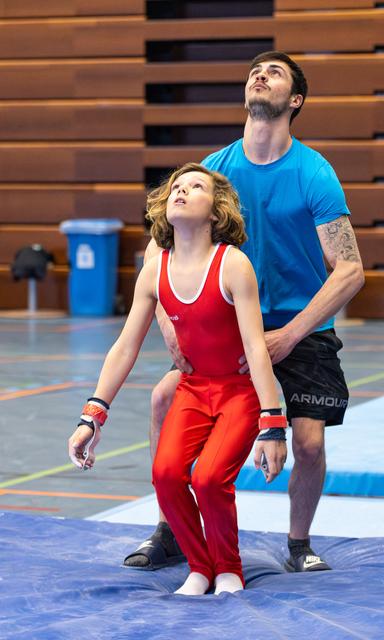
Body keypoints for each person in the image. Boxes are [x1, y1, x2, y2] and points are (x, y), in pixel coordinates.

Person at [123, 50, 365, 573]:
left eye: (274, 72)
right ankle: (170, 529)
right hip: (226, 325)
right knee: (164, 397)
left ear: (294, 100)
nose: (260, 74)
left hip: (298, 330)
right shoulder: (213, 170)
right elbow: (157, 250)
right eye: (255, 70)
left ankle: (299, 543)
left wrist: (291, 335)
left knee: (308, 440)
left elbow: (349, 270)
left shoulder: (314, 173)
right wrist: (169, 325)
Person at [68, 163, 287, 595]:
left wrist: (272, 423)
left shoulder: (233, 265)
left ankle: (228, 568)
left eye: (196, 187)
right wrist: (91, 417)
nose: (182, 191)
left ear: (216, 210)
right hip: (193, 389)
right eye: (176, 187)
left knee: (208, 478)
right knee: (166, 474)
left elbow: (257, 346)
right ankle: (200, 567)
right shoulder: (154, 271)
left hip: (238, 394)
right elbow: (125, 347)